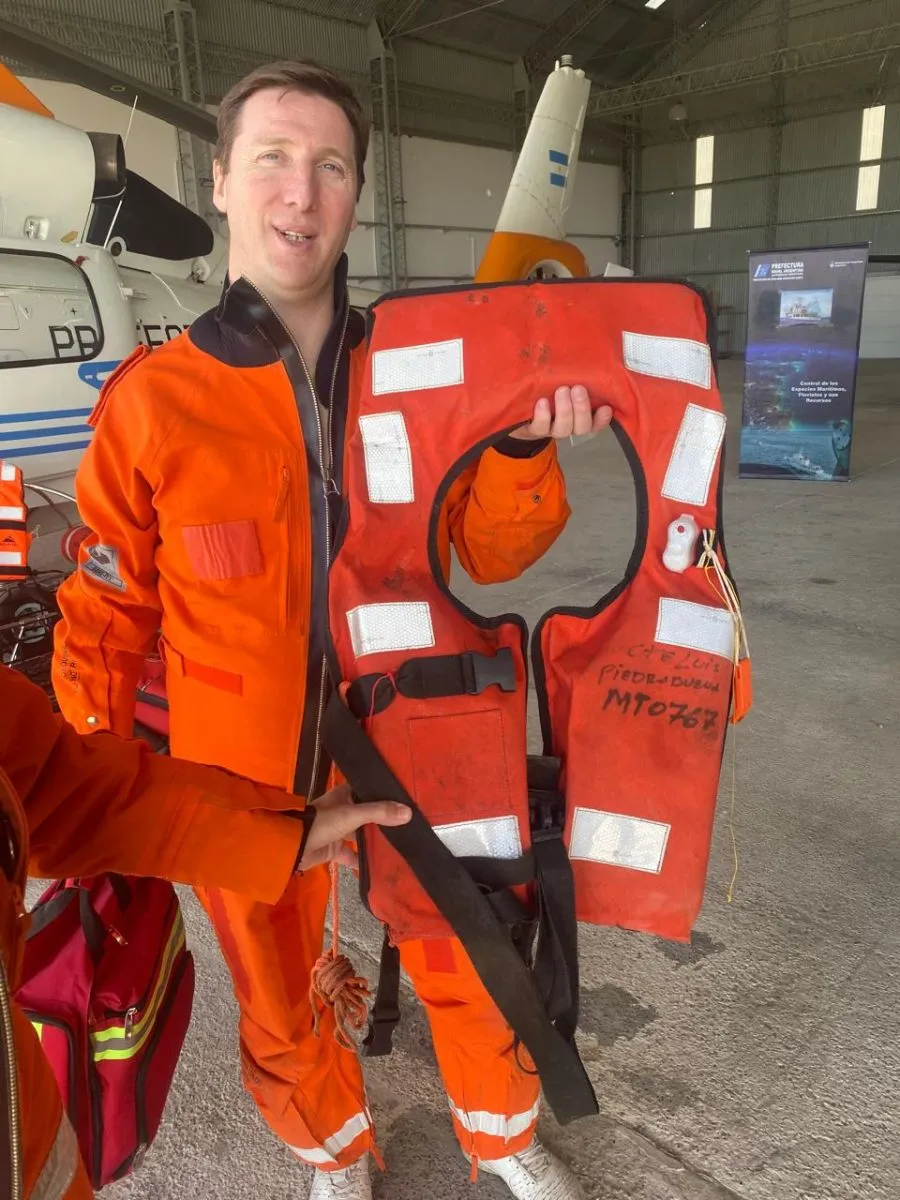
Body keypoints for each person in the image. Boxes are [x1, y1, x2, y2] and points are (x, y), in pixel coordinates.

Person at [51, 59, 612, 1200]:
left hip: (426, 732)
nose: (300, 193)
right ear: (220, 180)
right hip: (241, 762)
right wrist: (89, 799)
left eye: (331, 166)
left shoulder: (423, 373)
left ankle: (501, 1136)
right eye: (272, 158)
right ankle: (334, 1151)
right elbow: (105, 617)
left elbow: (490, 549)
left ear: (356, 192)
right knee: (277, 980)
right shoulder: (153, 403)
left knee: (473, 944)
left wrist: (519, 446)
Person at [1, 661, 411, 1200]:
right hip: (237, 747)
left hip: (396, 725)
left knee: (462, 954)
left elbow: (49, 782)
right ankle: (335, 1147)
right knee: (278, 999)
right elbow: (104, 625)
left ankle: (498, 1123)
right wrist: (103, 724)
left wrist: (276, 835)